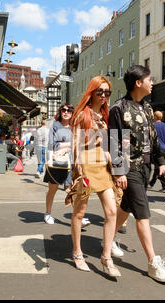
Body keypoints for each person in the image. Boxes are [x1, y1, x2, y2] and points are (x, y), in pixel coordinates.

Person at [109, 65, 165, 283]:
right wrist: (119, 172)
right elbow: (114, 142)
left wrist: (161, 163)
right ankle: (153, 263)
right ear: (138, 83)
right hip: (130, 168)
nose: (152, 82)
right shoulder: (119, 108)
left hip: (145, 168)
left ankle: (107, 242)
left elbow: (153, 139)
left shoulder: (146, 107)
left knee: (126, 207)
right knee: (142, 212)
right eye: (150, 79)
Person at [65, 76, 122, 277]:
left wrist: (116, 170)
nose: (104, 96)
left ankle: (106, 257)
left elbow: (108, 147)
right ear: (92, 92)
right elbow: (76, 145)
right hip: (86, 168)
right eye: (100, 92)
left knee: (112, 212)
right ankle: (77, 253)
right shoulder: (83, 114)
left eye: (107, 92)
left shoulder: (105, 116)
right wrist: (78, 172)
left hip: (103, 168)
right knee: (79, 213)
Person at [42, 104, 91, 228]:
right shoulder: (55, 126)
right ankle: (47, 213)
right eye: (63, 110)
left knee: (72, 190)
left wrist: (65, 145)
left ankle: (79, 217)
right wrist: (68, 145)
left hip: (73, 162)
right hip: (58, 162)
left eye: (69, 110)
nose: (66, 112)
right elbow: (52, 145)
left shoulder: (75, 127)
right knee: (52, 189)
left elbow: (80, 144)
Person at [149, 110, 165, 192]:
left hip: (155, 149)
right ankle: (154, 184)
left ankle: (163, 185)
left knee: (157, 167)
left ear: (155, 117)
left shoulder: (152, 125)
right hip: (164, 149)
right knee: (159, 166)